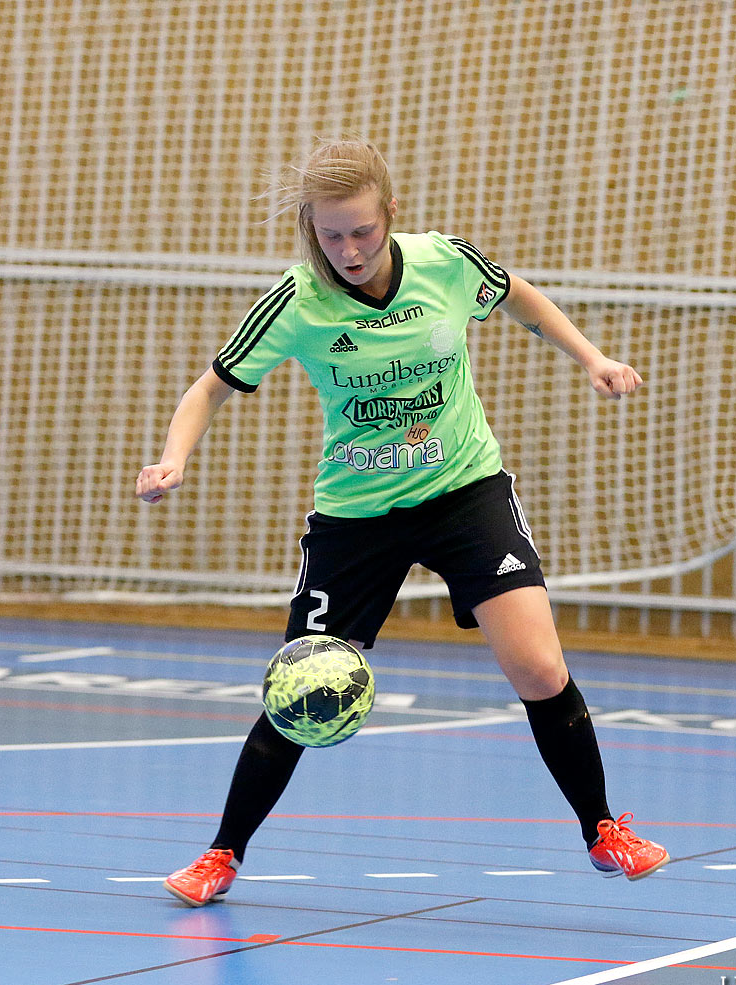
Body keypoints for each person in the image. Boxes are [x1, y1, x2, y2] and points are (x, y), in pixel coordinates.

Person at [135, 136, 667, 906]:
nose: (348, 250)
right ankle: (222, 854)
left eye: (362, 231)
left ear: (392, 215)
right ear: (310, 231)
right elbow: (208, 388)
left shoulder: (446, 263)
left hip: (465, 492)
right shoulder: (297, 300)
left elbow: (522, 296)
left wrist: (592, 358)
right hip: (358, 515)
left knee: (540, 669)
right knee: (303, 689)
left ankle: (602, 830)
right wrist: (172, 459)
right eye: (330, 234)